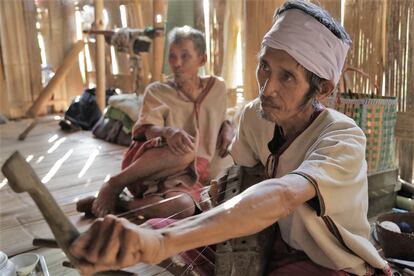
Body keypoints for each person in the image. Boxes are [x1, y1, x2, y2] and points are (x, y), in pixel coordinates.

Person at [70, 1, 391, 275]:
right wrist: (168, 227)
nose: (267, 89)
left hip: (330, 265)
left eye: (287, 76)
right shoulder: (255, 117)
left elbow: (281, 195)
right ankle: (125, 210)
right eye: (264, 67)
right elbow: (245, 186)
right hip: (272, 242)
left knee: (166, 237)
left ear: (322, 88)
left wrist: (162, 244)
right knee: (162, 227)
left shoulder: (343, 138)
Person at [82, 26, 233, 219]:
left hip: (188, 176)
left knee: (184, 207)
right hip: (151, 166)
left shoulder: (217, 88)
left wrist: (229, 126)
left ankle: (123, 204)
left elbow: (221, 116)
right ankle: (114, 184)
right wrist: (168, 132)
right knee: (187, 148)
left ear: (202, 59)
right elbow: (146, 130)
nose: (176, 63)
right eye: (172, 56)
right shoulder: (157, 90)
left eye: (185, 56)